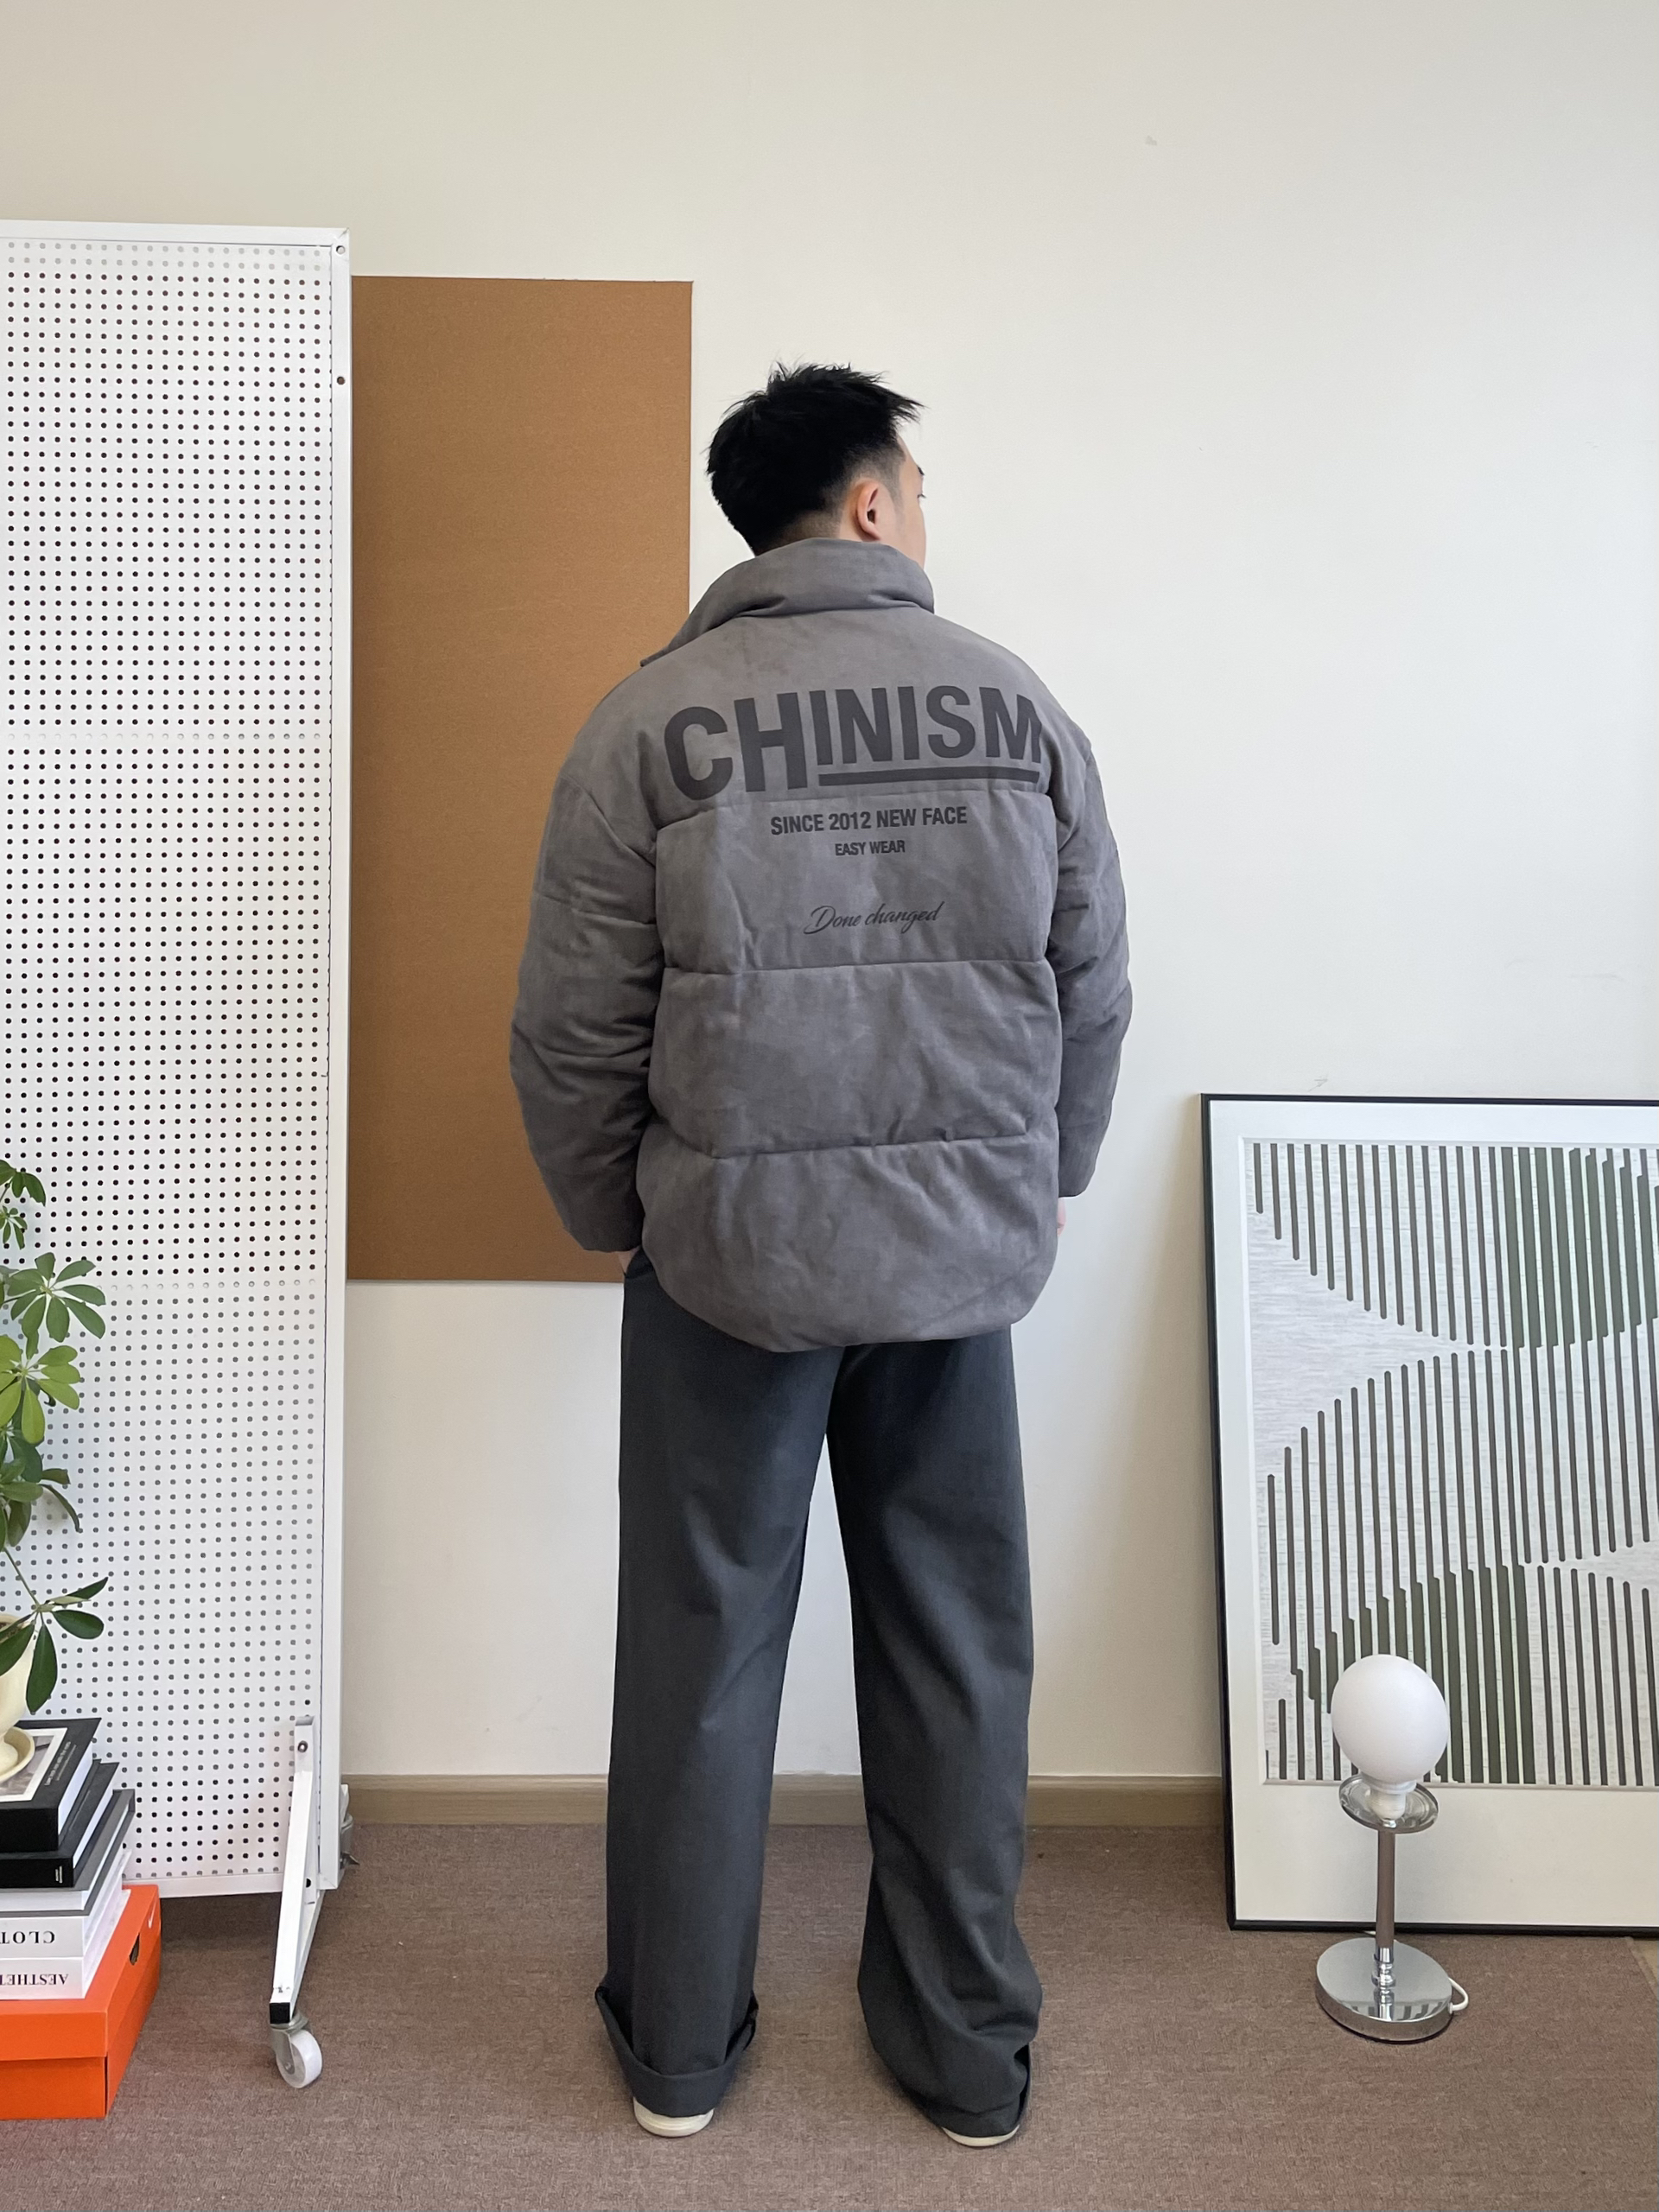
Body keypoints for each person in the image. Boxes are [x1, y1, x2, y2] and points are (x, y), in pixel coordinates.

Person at [512, 364, 1131, 2147]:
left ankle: (679, 2055)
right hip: (954, 1273)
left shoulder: (649, 725)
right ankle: (966, 2058)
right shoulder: (1016, 708)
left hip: (728, 1268)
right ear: (869, 502)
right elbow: (1091, 984)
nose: (922, 515)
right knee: (956, 1653)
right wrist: (1039, 1180)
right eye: (914, 488)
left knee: (701, 1650)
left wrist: (620, 1219)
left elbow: (570, 1032)